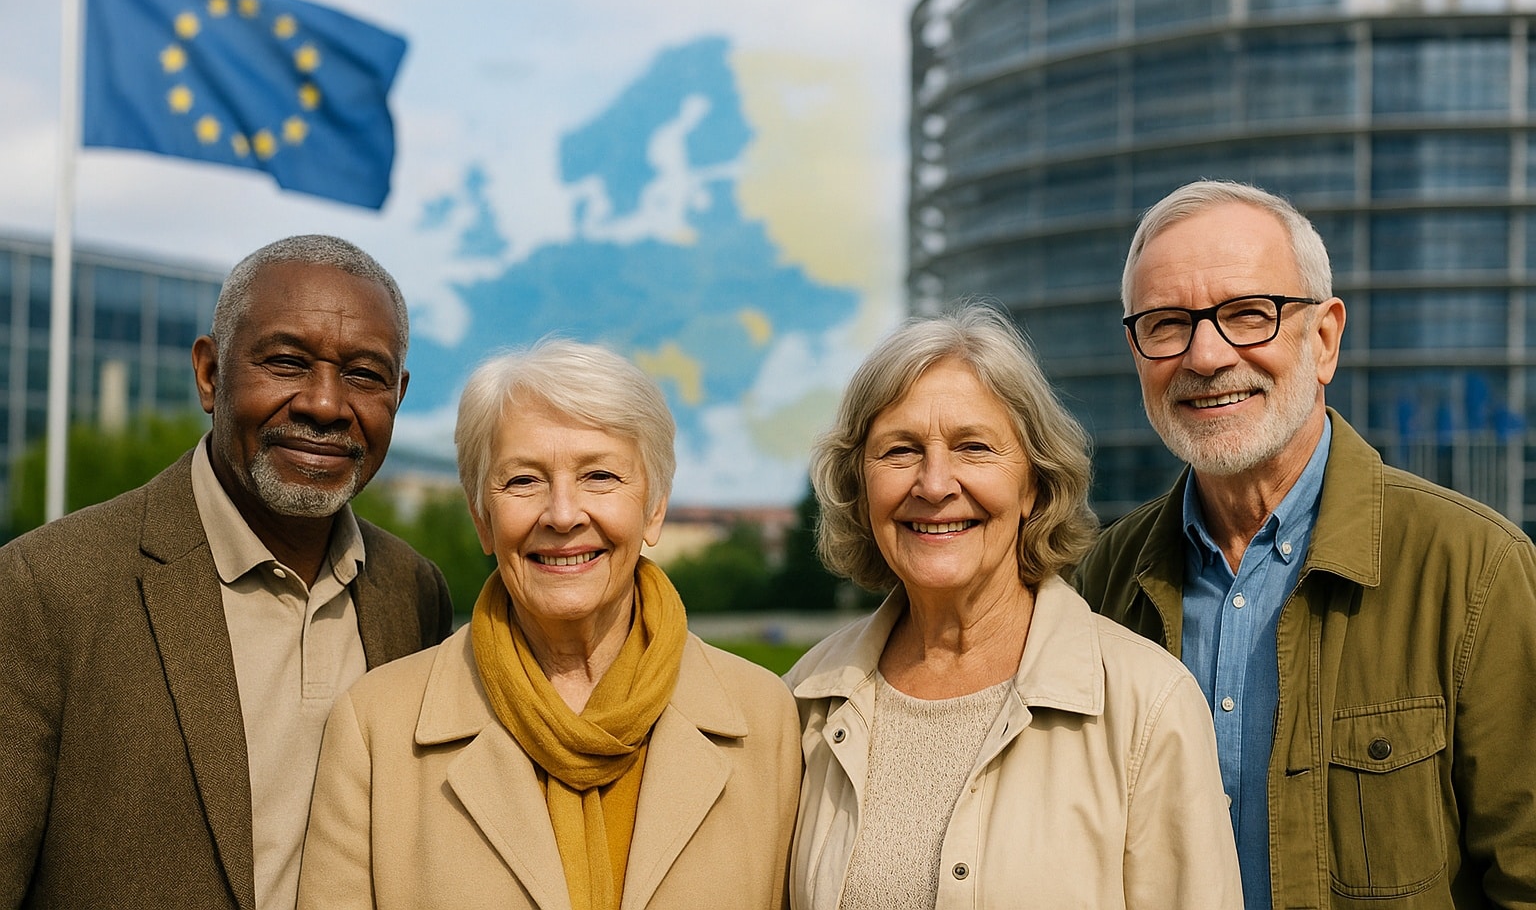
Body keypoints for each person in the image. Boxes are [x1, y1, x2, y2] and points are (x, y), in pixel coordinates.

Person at [1077, 179, 1536, 909]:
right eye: (1166, 324)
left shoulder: (1475, 570)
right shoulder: (1101, 581)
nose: (1205, 355)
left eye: (1247, 314)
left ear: (1323, 340)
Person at [0, 235, 453, 910]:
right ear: (210, 375)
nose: (325, 405)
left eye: (364, 375)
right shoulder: (45, 587)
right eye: (287, 362)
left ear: (399, 395)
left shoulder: (413, 593)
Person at [298, 339, 800, 910]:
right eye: (523, 481)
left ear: (655, 507)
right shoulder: (375, 729)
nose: (562, 515)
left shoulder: (766, 720)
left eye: (600, 476)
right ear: (482, 518)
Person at [786, 303, 1241, 909]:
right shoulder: (802, 703)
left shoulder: (1148, 704)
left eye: (973, 447)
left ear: (1034, 484)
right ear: (860, 485)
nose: (935, 484)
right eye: (900, 451)